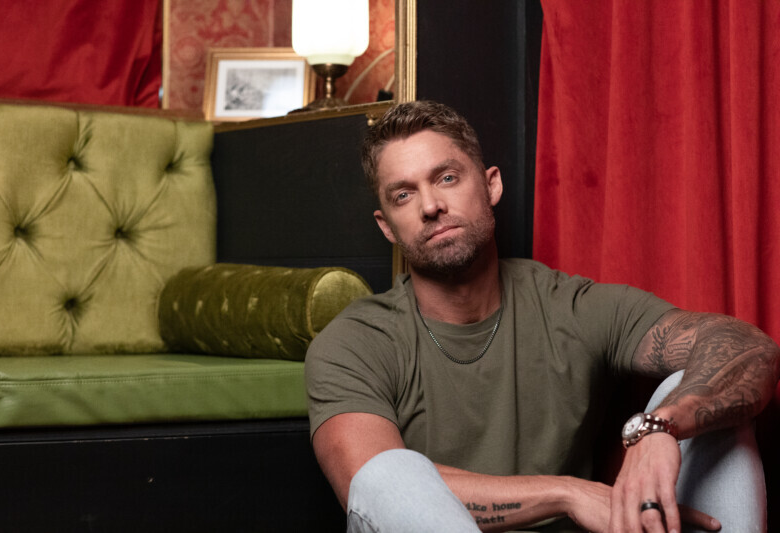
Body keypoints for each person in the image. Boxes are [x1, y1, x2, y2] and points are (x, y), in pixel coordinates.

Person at [305, 100, 780, 532]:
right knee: (389, 472)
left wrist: (662, 427)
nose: (431, 206)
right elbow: (374, 485)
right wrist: (568, 494)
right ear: (387, 226)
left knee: (700, 394)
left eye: (446, 178)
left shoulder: (570, 307)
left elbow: (749, 349)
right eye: (404, 195)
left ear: (491, 185)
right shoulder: (354, 343)